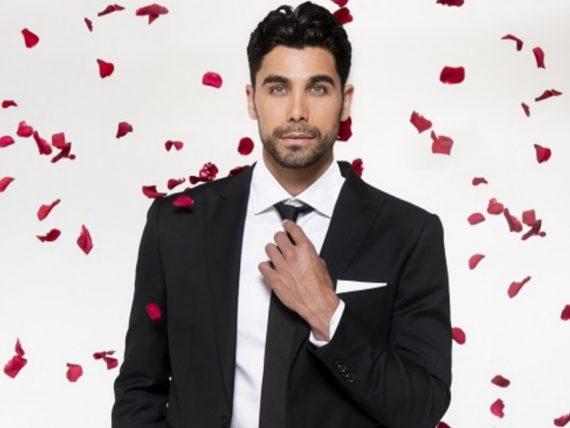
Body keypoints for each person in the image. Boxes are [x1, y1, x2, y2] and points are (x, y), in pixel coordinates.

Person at [111, 2, 452, 427]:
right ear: (251, 100)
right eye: (278, 88)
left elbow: (422, 406)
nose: (296, 111)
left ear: (345, 102)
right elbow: (140, 388)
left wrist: (329, 315)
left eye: (318, 88)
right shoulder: (177, 224)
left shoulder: (408, 234)